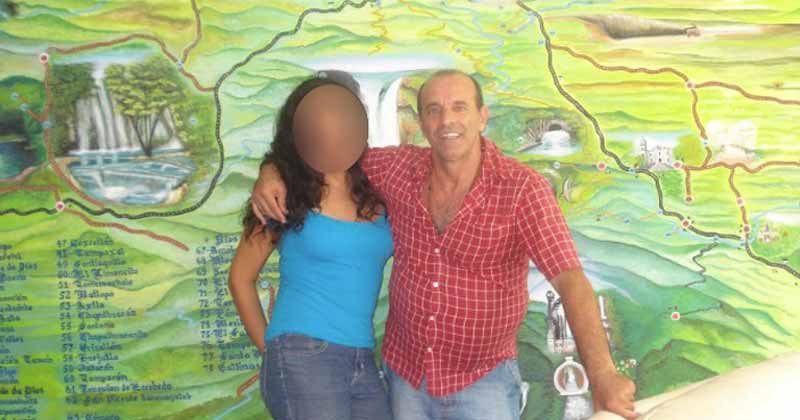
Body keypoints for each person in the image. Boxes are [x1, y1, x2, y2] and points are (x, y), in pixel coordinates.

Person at [250, 69, 639, 420]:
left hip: (482, 383)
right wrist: (272, 171)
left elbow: (570, 279)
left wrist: (602, 373)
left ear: (482, 117)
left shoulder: (523, 190)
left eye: (459, 107)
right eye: (433, 110)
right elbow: (322, 154)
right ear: (422, 122)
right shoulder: (396, 169)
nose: (447, 120)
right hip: (406, 379)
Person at [228, 71, 393, 420]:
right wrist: (272, 351)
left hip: (363, 358)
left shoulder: (374, 184)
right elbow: (241, 277)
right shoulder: (283, 191)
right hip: (303, 353)